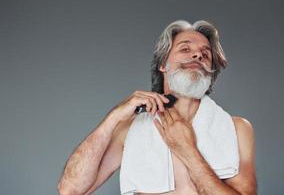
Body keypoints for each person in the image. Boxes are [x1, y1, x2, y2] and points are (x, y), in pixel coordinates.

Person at [58, 20, 257, 195]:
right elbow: (71, 189)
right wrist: (113, 118)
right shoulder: (130, 130)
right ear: (163, 64)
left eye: (205, 53)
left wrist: (187, 150)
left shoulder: (236, 129)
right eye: (185, 49)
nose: (198, 54)